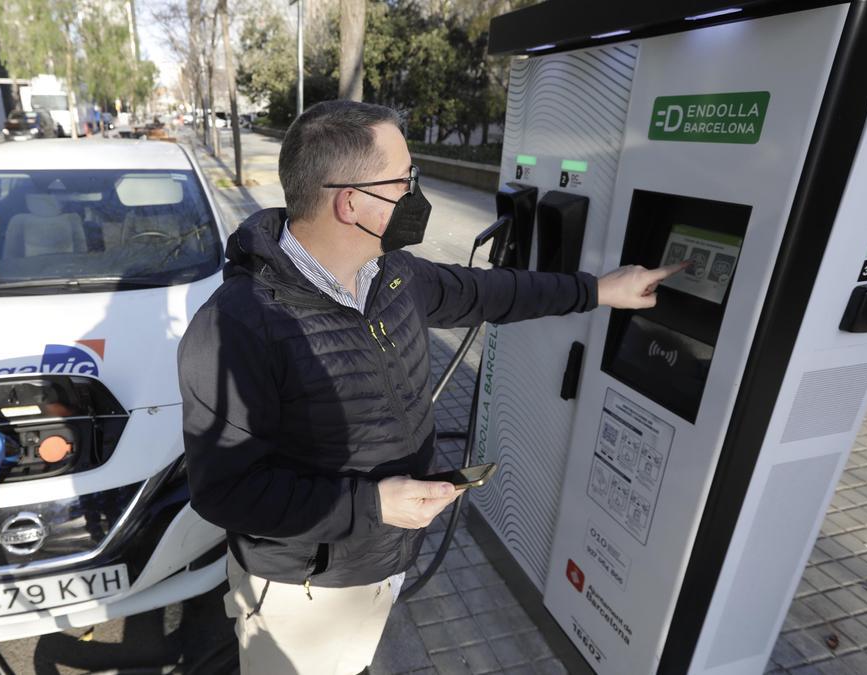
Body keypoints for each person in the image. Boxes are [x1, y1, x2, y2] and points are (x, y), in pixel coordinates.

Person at [176, 100, 685, 675]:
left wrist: (599, 290)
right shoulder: (234, 327)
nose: (415, 193)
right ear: (352, 202)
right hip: (307, 593)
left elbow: (493, 293)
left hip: (386, 556)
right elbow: (225, 491)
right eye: (404, 179)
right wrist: (373, 504)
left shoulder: (395, 275)